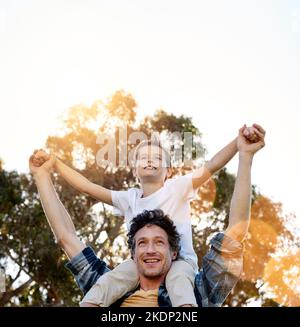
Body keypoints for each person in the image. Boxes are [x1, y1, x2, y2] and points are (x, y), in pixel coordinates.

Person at [29, 124, 265, 307]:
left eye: (158, 158)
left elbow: (213, 165)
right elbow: (87, 189)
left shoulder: (177, 188)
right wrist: (55, 166)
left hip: (182, 263)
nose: (150, 160)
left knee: (179, 281)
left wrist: (239, 147)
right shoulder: (128, 199)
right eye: (143, 158)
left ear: (169, 171)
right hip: (135, 265)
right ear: (134, 171)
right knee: (109, 282)